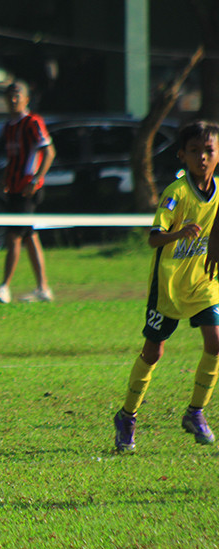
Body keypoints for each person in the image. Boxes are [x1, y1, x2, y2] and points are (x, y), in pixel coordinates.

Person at [113, 119, 219, 452]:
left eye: (208, 151)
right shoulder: (176, 194)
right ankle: (127, 416)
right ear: (182, 156)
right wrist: (179, 233)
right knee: (153, 351)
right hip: (169, 286)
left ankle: (195, 412)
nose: (202, 157)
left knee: (216, 342)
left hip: (203, 281)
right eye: (194, 151)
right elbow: (153, 238)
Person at [0, 81, 56, 304]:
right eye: (9, 96)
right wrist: (5, 178)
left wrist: (37, 178)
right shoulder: (9, 127)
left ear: (26, 99)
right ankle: (43, 288)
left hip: (28, 190)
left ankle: (4, 287)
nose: (13, 100)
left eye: (17, 96)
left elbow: (49, 151)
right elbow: (13, 157)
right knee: (30, 236)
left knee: (14, 236)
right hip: (14, 188)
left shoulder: (32, 122)